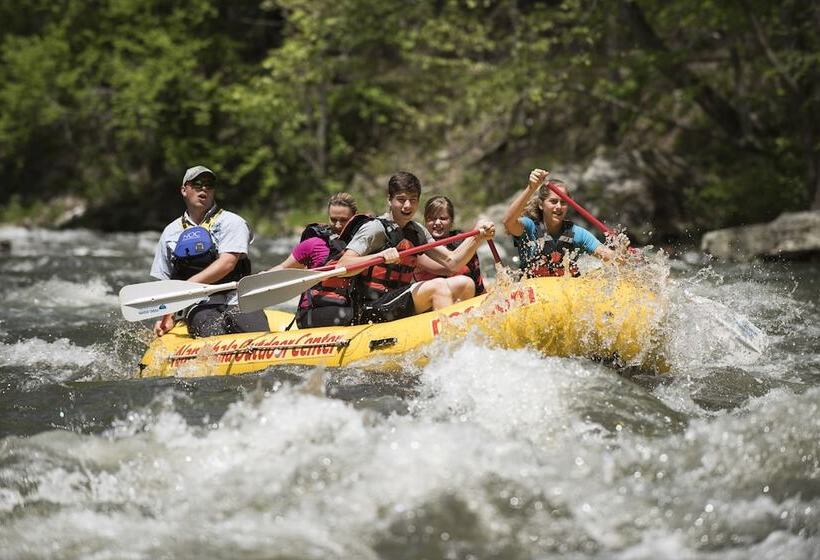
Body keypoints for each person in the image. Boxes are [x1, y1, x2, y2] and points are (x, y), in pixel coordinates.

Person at [335, 171, 495, 324]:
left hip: (398, 299)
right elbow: (343, 264)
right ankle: (449, 341)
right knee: (438, 285)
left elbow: (452, 262)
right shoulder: (375, 228)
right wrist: (381, 255)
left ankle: (467, 335)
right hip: (371, 307)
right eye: (401, 199)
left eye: (413, 200)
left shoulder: (417, 231)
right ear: (389, 199)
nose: (407, 205)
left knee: (464, 282)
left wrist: (477, 236)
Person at [150, 165, 269, 337]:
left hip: (237, 299)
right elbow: (166, 281)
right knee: (212, 334)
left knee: (257, 335)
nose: (204, 188)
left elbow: (227, 263)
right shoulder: (170, 232)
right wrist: (167, 316)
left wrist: (189, 285)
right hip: (199, 304)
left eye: (209, 184)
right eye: (197, 184)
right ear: (184, 190)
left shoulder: (232, 222)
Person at [268, 192, 360, 328]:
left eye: (344, 220)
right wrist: (262, 276)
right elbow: (283, 268)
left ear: (354, 217)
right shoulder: (313, 244)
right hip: (312, 312)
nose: (338, 225)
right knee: (357, 315)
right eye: (334, 220)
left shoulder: (362, 244)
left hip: (347, 307)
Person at [502, 168, 614, 277]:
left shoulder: (576, 233)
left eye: (563, 202)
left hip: (564, 292)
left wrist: (623, 255)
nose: (559, 207)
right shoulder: (529, 228)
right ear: (541, 205)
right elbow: (508, 222)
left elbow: (610, 257)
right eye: (553, 201)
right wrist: (531, 188)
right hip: (533, 291)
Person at [414, 195, 486, 295]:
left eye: (443, 218)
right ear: (425, 221)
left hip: (467, 296)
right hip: (437, 301)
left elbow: (476, 275)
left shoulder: (462, 239)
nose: (437, 223)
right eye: (432, 219)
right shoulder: (419, 246)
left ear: (451, 221)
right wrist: (476, 238)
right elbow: (449, 269)